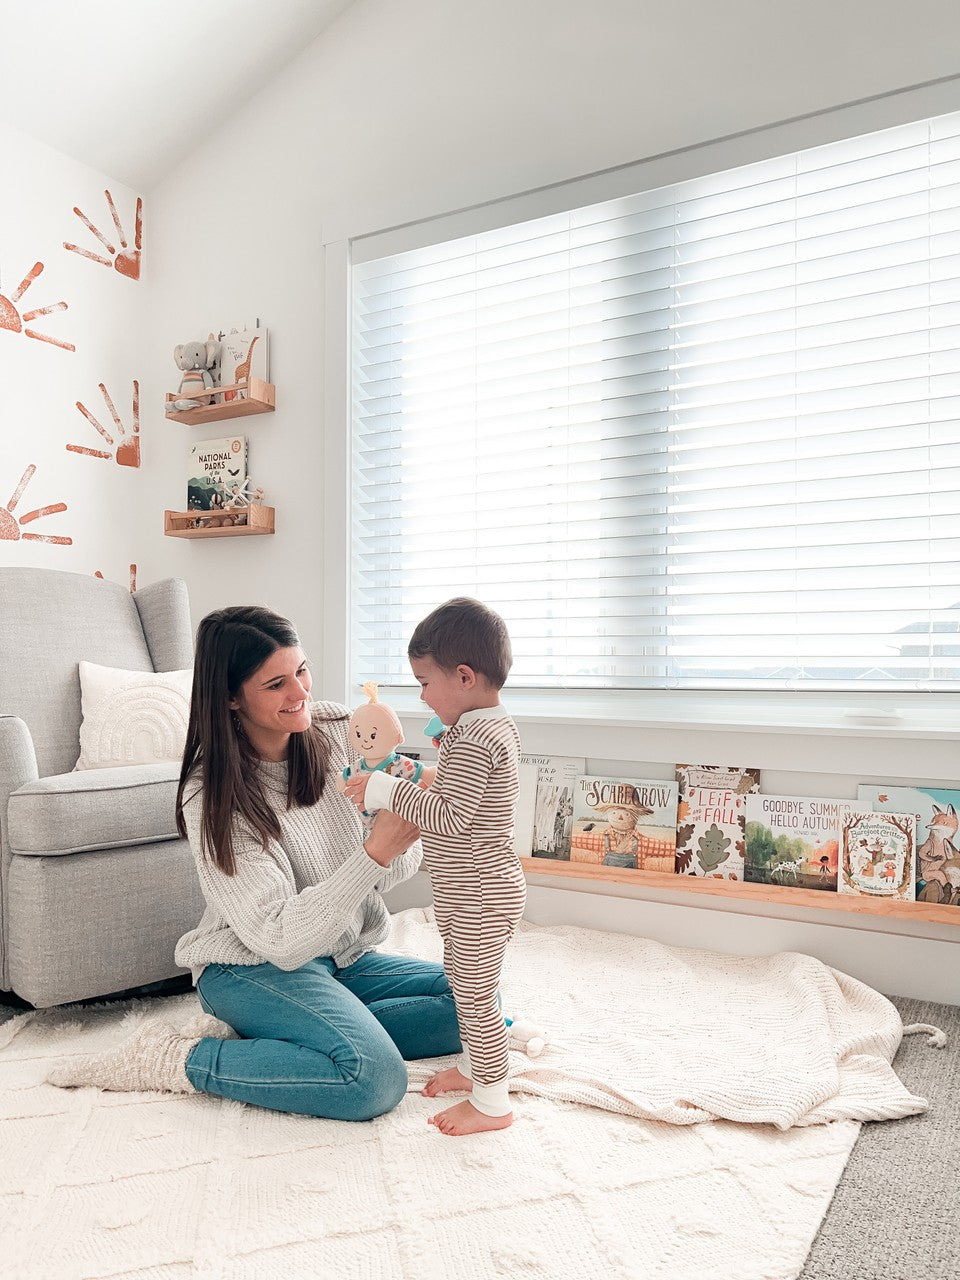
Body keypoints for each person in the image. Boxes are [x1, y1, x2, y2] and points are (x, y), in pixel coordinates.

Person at [47, 605, 461, 1120]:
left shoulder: (342, 735)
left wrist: (403, 827)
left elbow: (394, 870)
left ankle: (301, 1028)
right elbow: (282, 940)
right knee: (372, 1078)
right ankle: (180, 1058)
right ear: (230, 696)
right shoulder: (213, 796)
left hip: (338, 956)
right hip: (251, 965)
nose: (301, 693)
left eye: (302, 670)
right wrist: (375, 849)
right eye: (276, 684)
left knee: (475, 1004)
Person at [344, 597, 527, 1136]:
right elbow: (464, 794)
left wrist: (385, 789)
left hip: (478, 893)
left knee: (473, 995)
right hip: (479, 888)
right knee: (467, 983)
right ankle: (475, 1069)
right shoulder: (493, 726)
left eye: (424, 682)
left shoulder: (472, 736)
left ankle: (494, 1102)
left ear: (464, 677)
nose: (420, 694)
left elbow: (448, 818)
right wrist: (420, 778)